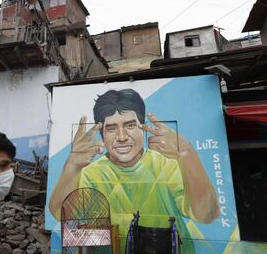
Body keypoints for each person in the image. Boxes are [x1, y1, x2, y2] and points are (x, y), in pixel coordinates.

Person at [49, 89, 220, 253]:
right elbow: (60, 215)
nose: (122, 137)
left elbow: (206, 214)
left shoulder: (166, 164)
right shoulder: (91, 173)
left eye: (130, 125)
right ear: (102, 134)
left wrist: (187, 154)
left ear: (143, 128)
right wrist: (72, 167)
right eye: (111, 128)